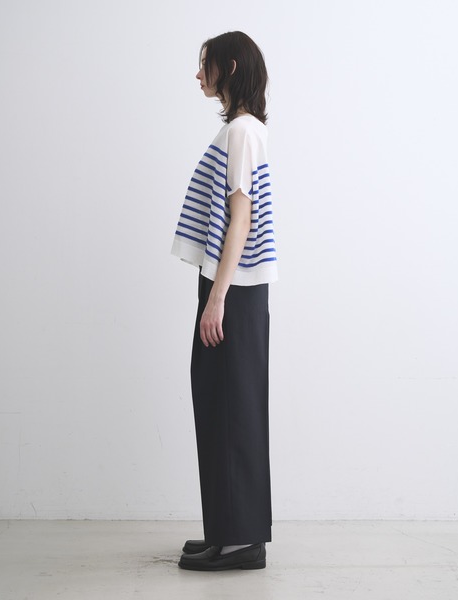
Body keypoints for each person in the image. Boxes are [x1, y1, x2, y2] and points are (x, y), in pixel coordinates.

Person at [171, 31, 278, 571]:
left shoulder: (241, 131)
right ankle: (226, 531)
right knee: (220, 404)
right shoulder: (240, 130)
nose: (198, 75)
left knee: (232, 408)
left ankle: (240, 542)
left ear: (229, 67)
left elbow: (241, 219)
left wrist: (217, 300)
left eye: (205, 64)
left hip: (232, 289)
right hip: (230, 286)